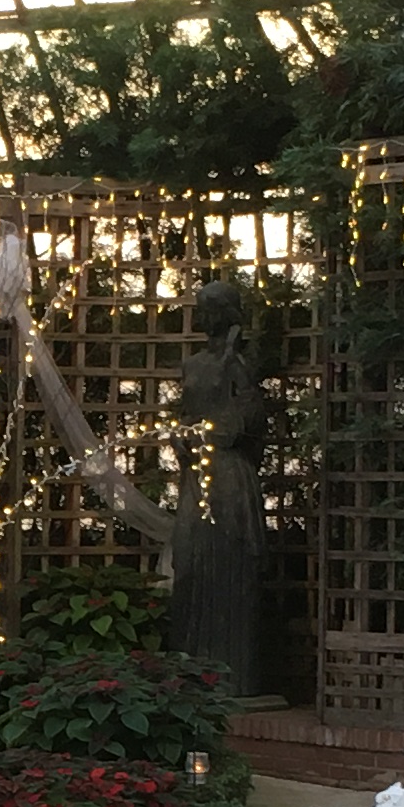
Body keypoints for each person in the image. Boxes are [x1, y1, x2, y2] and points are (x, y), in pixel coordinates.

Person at [169, 268, 264, 688]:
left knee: (229, 563)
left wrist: (219, 425)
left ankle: (232, 673)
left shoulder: (241, 364)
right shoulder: (191, 363)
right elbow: (183, 416)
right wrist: (182, 437)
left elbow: (248, 418)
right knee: (190, 559)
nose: (199, 317)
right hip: (196, 473)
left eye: (206, 309)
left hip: (228, 477)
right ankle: (191, 665)